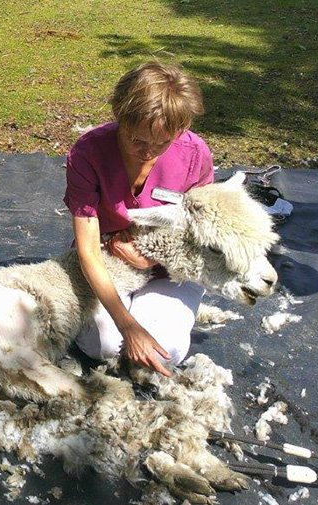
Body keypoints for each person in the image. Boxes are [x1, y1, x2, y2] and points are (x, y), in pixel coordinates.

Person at [64, 61, 213, 377]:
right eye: (137, 141)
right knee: (100, 344)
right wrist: (127, 324)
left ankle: (157, 308)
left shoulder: (194, 153)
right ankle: (130, 313)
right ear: (120, 117)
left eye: (162, 143)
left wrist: (154, 255)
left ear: (181, 129)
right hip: (108, 256)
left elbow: (200, 230)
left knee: (164, 349)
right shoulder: (88, 153)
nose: (149, 152)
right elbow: (88, 249)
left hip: (169, 267)